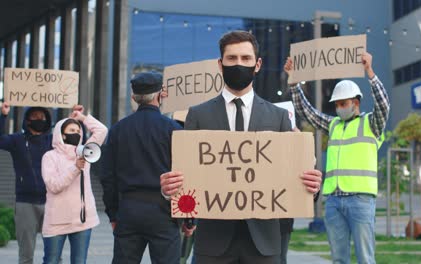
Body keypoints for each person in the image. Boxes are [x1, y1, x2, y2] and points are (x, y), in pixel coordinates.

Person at [160, 30, 322, 264]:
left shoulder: (279, 117)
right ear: (220, 64)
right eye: (232, 59)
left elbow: (292, 177)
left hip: (264, 244)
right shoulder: (197, 115)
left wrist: (312, 186)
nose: (239, 64)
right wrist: (170, 190)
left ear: (257, 65)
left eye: (245, 59)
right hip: (212, 244)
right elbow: (188, 179)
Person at [284, 51, 390, 264]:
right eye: (337, 104)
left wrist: (370, 72)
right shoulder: (333, 125)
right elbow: (308, 112)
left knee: (365, 258)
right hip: (333, 201)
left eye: (344, 103)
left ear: (356, 103)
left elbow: (383, 104)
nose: (340, 107)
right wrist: (293, 82)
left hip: (360, 200)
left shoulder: (371, 124)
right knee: (338, 259)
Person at [101, 71, 183, 264]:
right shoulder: (173, 130)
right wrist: (188, 219)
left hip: (129, 210)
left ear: (134, 97)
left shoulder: (117, 130)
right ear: (159, 95)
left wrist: (113, 214)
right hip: (164, 211)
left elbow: (107, 177)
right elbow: (183, 176)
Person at [0, 101, 82, 264]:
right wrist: (3, 115)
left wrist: (76, 120)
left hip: (53, 201)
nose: (39, 119)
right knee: (25, 255)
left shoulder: (54, 141)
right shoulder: (17, 140)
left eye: (42, 117)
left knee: (54, 255)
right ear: (27, 120)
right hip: (25, 203)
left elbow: (76, 142)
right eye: (35, 117)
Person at [41, 109, 107, 264]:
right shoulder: (50, 157)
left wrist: (82, 118)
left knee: (79, 261)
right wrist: (75, 168)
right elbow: (54, 186)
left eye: (78, 131)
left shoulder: (85, 152)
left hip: (82, 220)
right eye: (71, 130)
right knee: (51, 260)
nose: (76, 133)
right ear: (61, 134)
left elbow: (102, 130)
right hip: (57, 221)